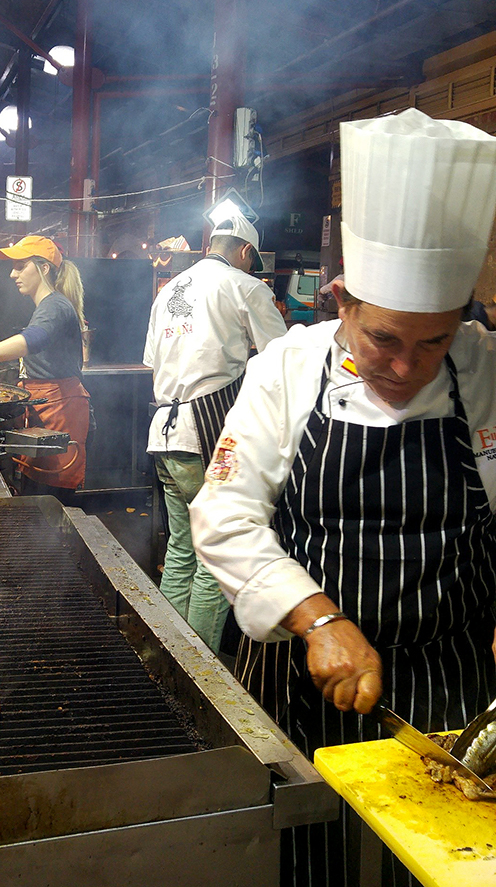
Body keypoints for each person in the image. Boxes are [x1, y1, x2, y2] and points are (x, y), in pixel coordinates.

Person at [190, 108, 496, 887]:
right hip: (306, 684)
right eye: (383, 339)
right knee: (309, 866)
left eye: (434, 341)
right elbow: (223, 514)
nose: (407, 366)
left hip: (451, 692)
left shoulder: (487, 368)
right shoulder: (289, 368)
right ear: (341, 301)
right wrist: (317, 617)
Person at [143, 213, 287, 653]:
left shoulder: (169, 290)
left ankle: (166, 654)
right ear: (245, 252)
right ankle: (200, 672)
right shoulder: (245, 287)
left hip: (164, 435)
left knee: (184, 547)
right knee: (216, 557)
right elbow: (284, 360)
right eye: (252, 261)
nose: (252, 268)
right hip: (206, 433)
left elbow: (154, 361)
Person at [0, 235, 90, 500]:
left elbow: (33, 339)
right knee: (38, 502)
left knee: (51, 506)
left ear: (44, 268)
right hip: (46, 410)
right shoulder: (48, 305)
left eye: (20, 266)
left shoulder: (54, 305)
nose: (12, 274)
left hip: (59, 413)